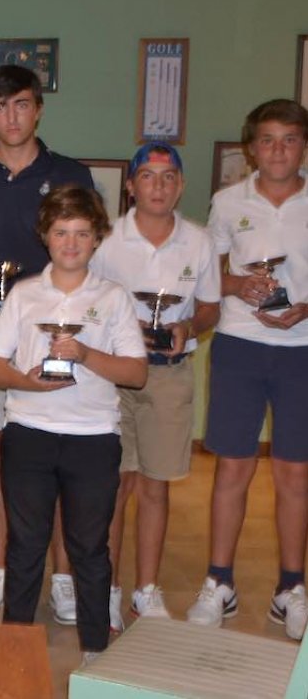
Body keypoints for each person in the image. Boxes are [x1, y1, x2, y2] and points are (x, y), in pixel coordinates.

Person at [0, 65, 94, 620]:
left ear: (39, 109)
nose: (13, 116)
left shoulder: (70, 173)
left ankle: (61, 577)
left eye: (23, 105)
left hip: (53, 340)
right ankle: (4, 570)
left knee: (51, 458)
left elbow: (86, 253)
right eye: (2, 106)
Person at [0, 186, 147, 661]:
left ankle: (95, 650)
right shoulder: (25, 293)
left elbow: (136, 373)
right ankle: (14, 644)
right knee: (26, 543)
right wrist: (27, 384)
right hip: (29, 430)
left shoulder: (112, 298)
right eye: (60, 232)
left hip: (93, 437)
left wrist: (87, 354)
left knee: (90, 547)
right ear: (45, 237)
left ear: (97, 239)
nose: (70, 243)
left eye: (81, 233)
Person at [187, 99, 308, 640]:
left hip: (302, 347)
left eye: (289, 138)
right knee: (232, 467)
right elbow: (206, 268)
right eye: (267, 139)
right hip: (238, 342)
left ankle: (290, 588)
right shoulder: (226, 201)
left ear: (303, 145)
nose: (277, 149)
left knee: (295, 472)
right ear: (250, 147)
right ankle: (220, 582)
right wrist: (237, 284)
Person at [91, 143, 220, 630]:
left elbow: (210, 306)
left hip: (169, 374)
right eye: (148, 177)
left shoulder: (200, 241)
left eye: (168, 178)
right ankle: (107, 587)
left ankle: (146, 589)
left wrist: (189, 326)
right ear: (131, 186)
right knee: (114, 485)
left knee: (155, 483)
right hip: (114, 377)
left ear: (181, 185)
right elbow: (91, 301)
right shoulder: (106, 241)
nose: (158, 187)